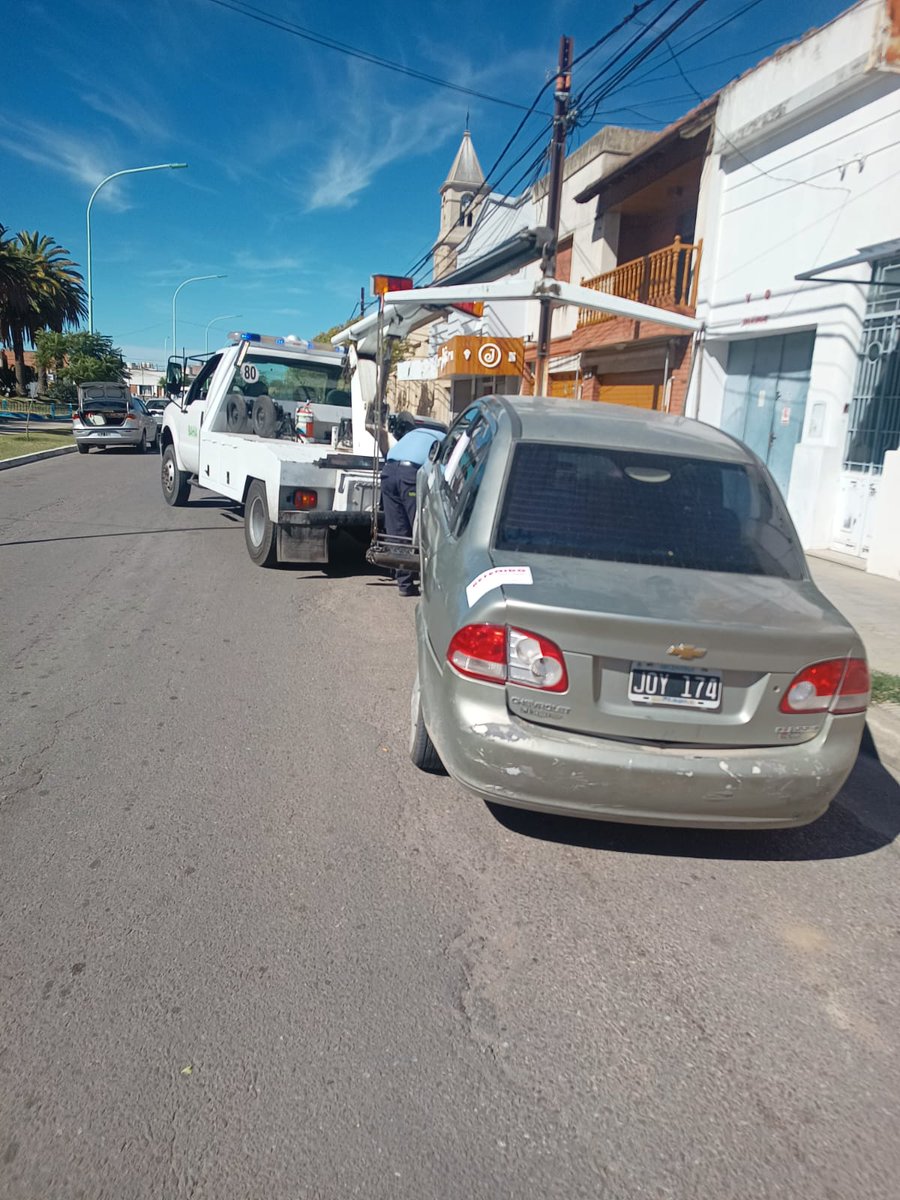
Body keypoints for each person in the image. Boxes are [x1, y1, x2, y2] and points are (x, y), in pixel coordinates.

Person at [381, 424, 444, 597]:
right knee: (420, 527)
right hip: (409, 475)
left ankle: (404, 583)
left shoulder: (413, 435)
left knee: (397, 529)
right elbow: (443, 470)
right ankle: (428, 581)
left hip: (388, 472)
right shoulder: (444, 440)